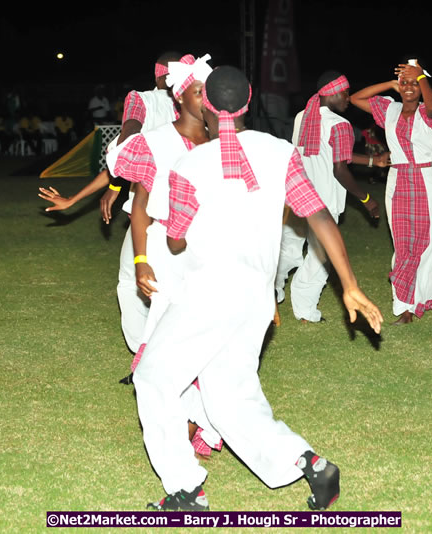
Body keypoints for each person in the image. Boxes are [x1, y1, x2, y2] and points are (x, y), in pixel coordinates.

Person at [134, 65, 384, 511]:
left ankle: (185, 490)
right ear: (249, 102)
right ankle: (311, 464)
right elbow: (318, 215)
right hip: (255, 299)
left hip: (208, 294)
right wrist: (349, 285)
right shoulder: (280, 152)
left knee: (153, 376)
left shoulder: (190, 165)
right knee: (229, 397)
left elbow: (174, 241)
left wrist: (177, 230)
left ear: (206, 107)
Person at [106, 53, 222, 459]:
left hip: (207, 252)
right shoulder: (156, 141)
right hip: (165, 254)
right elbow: (140, 207)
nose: (206, 100)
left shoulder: (221, 142)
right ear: (180, 97)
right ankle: (186, 426)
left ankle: (197, 422)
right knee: (173, 342)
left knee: (210, 340)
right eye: (198, 92)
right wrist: (141, 261)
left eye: (209, 93)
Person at [38, 51, 182, 365]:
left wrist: (108, 185)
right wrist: (108, 187)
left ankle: (146, 356)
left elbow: (126, 147)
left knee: (132, 281)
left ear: (156, 74)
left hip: (150, 209)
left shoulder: (141, 100)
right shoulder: (193, 107)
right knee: (175, 285)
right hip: (188, 211)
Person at [350, 59, 432, 325]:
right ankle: (406, 307)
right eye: (405, 83)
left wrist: (420, 76)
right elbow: (355, 98)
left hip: (425, 178)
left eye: (414, 84)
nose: (409, 87)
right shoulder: (389, 109)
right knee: (402, 244)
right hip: (398, 180)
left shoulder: (429, 108)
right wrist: (391, 84)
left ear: (423, 86)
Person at [275, 70, 385, 323]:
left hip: (296, 196)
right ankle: (305, 311)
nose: (348, 98)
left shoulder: (303, 116)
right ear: (332, 93)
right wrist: (367, 200)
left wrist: (373, 160)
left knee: (288, 249)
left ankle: (273, 289)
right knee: (319, 258)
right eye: (345, 93)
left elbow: (330, 153)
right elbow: (339, 169)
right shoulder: (340, 125)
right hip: (323, 204)